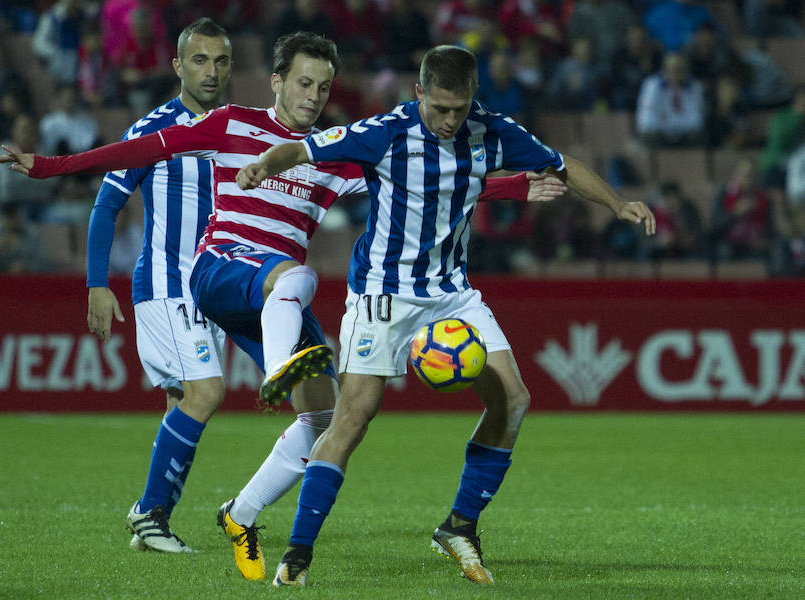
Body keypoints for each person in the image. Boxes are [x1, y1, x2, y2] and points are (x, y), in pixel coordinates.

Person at [0, 33, 565, 581]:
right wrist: (48, 166)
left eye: (322, 87)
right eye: (303, 83)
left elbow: (425, 183)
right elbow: (137, 150)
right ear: (277, 82)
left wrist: (515, 186)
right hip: (222, 269)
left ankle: (238, 514)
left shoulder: (334, 158)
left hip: (276, 296)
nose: (312, 97)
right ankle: (275, 375)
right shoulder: (233, 124)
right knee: (297, 277)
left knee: (323, 417)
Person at [235, 44, 655, 587]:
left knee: (514, 398)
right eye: (439, 108)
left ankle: (459, 525)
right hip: (383, 294)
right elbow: (304, 149)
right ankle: (298, 552)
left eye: (459, 109)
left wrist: (618, 204)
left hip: (451, 293)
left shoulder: (494, 131)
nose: (450, 120)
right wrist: (263, 165)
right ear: (419, 94)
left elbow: (562, 166)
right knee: (353, 419)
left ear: (473, 99)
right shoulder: (385, 132)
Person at [84, 17, 233, 557]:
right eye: (199, 60)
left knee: (182, 401)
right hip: (168, 284)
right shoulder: (153, 130)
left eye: (220, 61)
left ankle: (155, 519)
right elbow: (107, 204)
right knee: (207, 392)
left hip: (212, 290)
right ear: (177, 65)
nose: (210, 71)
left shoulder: (238, 130)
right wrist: (97, 285)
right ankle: (149, 514)